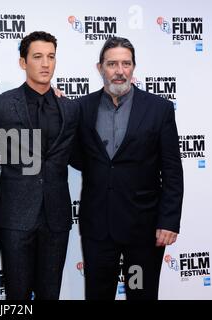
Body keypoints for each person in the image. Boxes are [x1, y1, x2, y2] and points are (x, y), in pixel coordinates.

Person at [71, 36, 183, 300]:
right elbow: (78, 157)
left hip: (142, 230)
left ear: (133, 67)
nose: (119, 71)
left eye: (125, 63)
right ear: (100, 68)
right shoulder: (81, 108)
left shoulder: (159, 109)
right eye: (112, 64)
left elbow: (172, 170)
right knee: (98, 294)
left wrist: (169, 221)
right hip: (98, 228)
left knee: (140, 292)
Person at [0, 31, 79, 300]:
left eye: (51, 57)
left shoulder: (70, 108)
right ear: (22, 62)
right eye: (38, 57)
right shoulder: (1, 104)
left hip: (56, 217)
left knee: (50, 292)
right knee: (16, 295)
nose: (45, 64)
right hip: (16, 216)